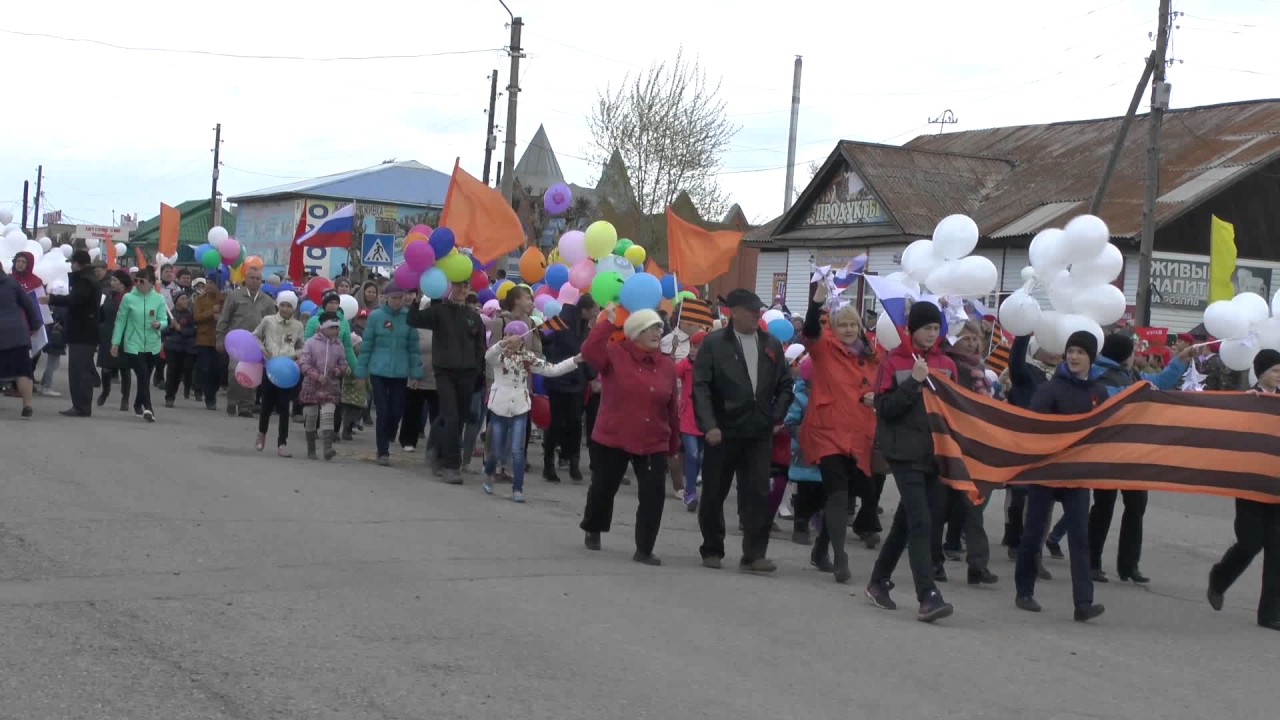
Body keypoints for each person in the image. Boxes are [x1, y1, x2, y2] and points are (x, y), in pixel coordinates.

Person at [865, 300, 957, 622]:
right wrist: (914, 381)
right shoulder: (894, 361)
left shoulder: (947, 363)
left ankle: (878, 581)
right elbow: (885, 407)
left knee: (908, 521)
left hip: (934, 453)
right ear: (912, 329)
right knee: (921, 521)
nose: (932, 334)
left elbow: (954, 409)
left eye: (936, 328)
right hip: (902, 452)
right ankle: (928, 595)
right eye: (926, 328)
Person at [693, 289, 794, 574]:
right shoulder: (714, 344)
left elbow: (786, 385)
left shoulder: (771, 344)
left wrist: (776, 415)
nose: (756, 315)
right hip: (723, 431)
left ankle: (754, 554)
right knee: (714, 491)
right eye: (750, 311)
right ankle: (712, 547)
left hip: (758, 431)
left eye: (758, 311)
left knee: (759, 493)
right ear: (733, 312)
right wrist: (709, 424)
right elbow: (700, 387)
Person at [1016, 330, 1108, 623]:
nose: (1074, 356)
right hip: (1047, 470)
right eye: (1071, 351)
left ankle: (1083, 602)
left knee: (1080, 538)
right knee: (1033, 533)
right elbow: (1034, 425)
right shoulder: (1050, 388)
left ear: (1090, 357)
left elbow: (1107, 425)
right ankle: (1024, 590)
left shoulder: (1098, 391)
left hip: (1077, 474)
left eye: (1081, 352)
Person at [579, 306, 679, 565]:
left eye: (659, 327)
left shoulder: (667, 365)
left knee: (653, 494)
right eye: (650, 328)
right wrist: (607, 324)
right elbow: (589, 352)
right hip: (614, 435)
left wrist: (673, 444)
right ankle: (594, 527)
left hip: (652, 439)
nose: (658, 332)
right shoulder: (614, 354)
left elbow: (671, 406)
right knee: (603, 488)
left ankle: (644, 548)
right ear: (635, 332)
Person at [1089, 332, 1190, 584]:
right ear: (1124, 356)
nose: (1135, 356)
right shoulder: (1099, 377)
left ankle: (1129, 566)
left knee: (1135, 507)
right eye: (1132, 352)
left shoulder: (1131, 376)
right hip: (1110, 452)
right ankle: (1092, 563)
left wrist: (1180, 360)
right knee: (1104, 508)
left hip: (1133, 452)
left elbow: (1161, 382)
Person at [801, 282, 881, 584]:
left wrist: (877, 398)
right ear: (833, 326)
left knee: (848, 493)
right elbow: (809, 330)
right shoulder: (823, 348)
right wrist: (817, 301)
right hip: (828, 430)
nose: (848, 329)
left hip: (860, 433)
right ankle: (839, 556)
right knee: (837, 492)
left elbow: (880, 386)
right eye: (842, 324)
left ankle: (821, 549)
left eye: (853, 324)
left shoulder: (871, 355)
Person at [1207, 349, 1280, 631]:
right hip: (1250, 485)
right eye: (1274, 370)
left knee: (1277, 550)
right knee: (1250, 543)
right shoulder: (1247, 400)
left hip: (1276, 484)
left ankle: (1270, 613)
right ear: (1260, 372)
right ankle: (1220, 578)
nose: (1278, 375)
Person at [483, 321, 582, 502]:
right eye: (508, 335)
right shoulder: (500, 357)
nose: (511, 339)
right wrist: (502, 344)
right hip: (499, 408)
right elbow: (489, 357)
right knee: (496, 450)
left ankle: (517, 489)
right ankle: (489, 473)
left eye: (517, 337)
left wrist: (574, 360)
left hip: (520, 409)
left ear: (523, 341)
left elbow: (553, 369)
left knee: (517, 450)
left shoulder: (528, 358)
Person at [935, 319, 998, 585]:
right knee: (942, 504)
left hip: (975, 442)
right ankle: (936, 559)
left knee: (974, 503)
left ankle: (977, 564)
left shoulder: (979, 369)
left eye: (974, 338)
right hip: (952, 440)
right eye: (965, 338)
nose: (971, 343)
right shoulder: (952, 366)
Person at [407, 279, 485, 482]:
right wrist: (415, 299)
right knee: (450, 416)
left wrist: (476, 370)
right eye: (458, 285)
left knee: (458, 418)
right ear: (450, 288)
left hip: (467, 373)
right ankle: (452, 465)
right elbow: (413, 320)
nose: (462, 289)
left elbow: (480, 347)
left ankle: (438, 453)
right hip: (444, 373)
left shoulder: (474, 317)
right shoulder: (439, 311)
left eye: (466, 286)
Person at [356, 287, 423, 467]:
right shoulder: (376, 316)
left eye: (400, 298)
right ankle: (382, 450)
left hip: (400, 371)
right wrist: (361, 371)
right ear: (386, 298)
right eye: (394, 298)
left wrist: (416, 372)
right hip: (379, 369)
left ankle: (390, 431)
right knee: (382, 410)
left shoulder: (408, 317)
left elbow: (414, 348)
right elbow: (367, 344)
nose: (397, 301)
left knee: (397, 409)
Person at [541, 295, 597, 483]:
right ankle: (548, 463)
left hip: (577, 381)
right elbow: (541, 335)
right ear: (585, 309)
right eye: (595, 309)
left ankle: (573, 461)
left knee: (574, 423)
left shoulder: (584, 327)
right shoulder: (561, 321)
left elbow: (586, 353)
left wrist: (591, 376)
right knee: (556, 423)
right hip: (558, 378)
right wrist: (551, 358)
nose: (597, 313)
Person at [45, 250, 100, 417]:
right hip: (83, 331)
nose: (71, 266)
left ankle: (81, 406)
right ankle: (81, 405)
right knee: (80, 369)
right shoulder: (87, 279)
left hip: (83, 332)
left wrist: (53, 299)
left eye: (72, 263)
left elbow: (75, 301)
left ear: (78, 263)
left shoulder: (85, 281)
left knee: (79, 371)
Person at [110, 267, 167, 422]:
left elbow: (164, 320)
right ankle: (148, 408)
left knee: (145, 377)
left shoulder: (159, 299)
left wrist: (159, 324)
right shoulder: (128, 298)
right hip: (133, 343)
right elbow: (120, 321)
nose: (138, 284)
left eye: (142, 281)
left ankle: (137, 403)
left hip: (152, 343)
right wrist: (115, 342)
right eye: (136, 281)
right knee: (142, 374)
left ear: (151, 283)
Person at [216, 267, 274, 417]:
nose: (255, 281)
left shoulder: (267, 300)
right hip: (236, 342)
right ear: (246, 279)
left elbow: (272, 324)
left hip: (256, 343)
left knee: (252, 374)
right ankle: (232, 400)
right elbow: (224, 318)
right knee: (234, 372)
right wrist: (220, 338)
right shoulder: (235, 296)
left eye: (258, 279)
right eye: (252, 278)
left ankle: (246, 406)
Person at [253, 290, 304, 456]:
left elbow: (301, 345)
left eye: (289, 306)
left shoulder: (298, 326)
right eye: (282, 304)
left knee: (284, 406)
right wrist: (262, 349)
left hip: (287, 370)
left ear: (294, 308)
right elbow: (255, 337)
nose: (285, 308)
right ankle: (262, 433)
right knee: (266, 405)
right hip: (270, 367)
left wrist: (298, 356)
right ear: (277, 305)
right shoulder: (268, 321)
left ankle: (282, 442)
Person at [299, 311, 349, 461]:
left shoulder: (339, 345)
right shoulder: (311, 343)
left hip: (330, 387)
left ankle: (327, 447)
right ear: (323, 327)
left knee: (328, 416)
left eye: (337, 328)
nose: (336, 331)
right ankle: (311, 449)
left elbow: (343, 363)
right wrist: (315, 375)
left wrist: (339, 370)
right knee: (311, 417)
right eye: (333, 327)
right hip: (311, 386)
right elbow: (304, 363)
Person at [0, 261, 42, 418]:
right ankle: (27, 406)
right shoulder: (12, 282)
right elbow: (28, 304)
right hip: (16, 333)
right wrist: (35, 324)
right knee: (22, 371)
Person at [673, 331, 707, 511]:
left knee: (701, 457)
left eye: (698, 346)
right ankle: (690, 493)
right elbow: (670, 373)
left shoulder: (712, 367)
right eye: (692, 346)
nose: (694, 350)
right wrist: (672, 350)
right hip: (687, 417)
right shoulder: (685, 365)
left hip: (705, 418)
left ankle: (691, 488)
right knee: (692, 454)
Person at [96, 270, 132, 411]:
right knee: (106, 367)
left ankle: (125, 398)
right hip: (107, 333)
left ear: (122, 284)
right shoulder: (107, 295)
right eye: (111, 280)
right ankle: (105, 391)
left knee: (124, 368)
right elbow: (102, 314)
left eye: (115, 281)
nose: (111, 283)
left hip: (124, 335)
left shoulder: (130, 297)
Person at [193, 275, 224, 410]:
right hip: (204, 340)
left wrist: (220, 316)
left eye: (212, 283)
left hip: (219, 340)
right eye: (208, 283)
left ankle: (214, 390)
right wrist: (212, 312)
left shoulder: (225, 299)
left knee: (218, 370)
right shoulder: (200, 300)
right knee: (206, 369)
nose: (209, 285)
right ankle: (209, 397)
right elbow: (197, 317)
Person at [162, 292, 197, 407]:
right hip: (171, 347)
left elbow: (193, 331)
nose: (185, 301)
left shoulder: (190, 315)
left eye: (186, 299)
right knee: (171, 370)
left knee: (179, 372)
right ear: (176, 301)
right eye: (182, 299)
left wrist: (181, 329)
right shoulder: (169, 314)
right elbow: (163, 331)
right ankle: (169, 396)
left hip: (184, 347)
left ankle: (175, 392)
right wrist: (171, 327)